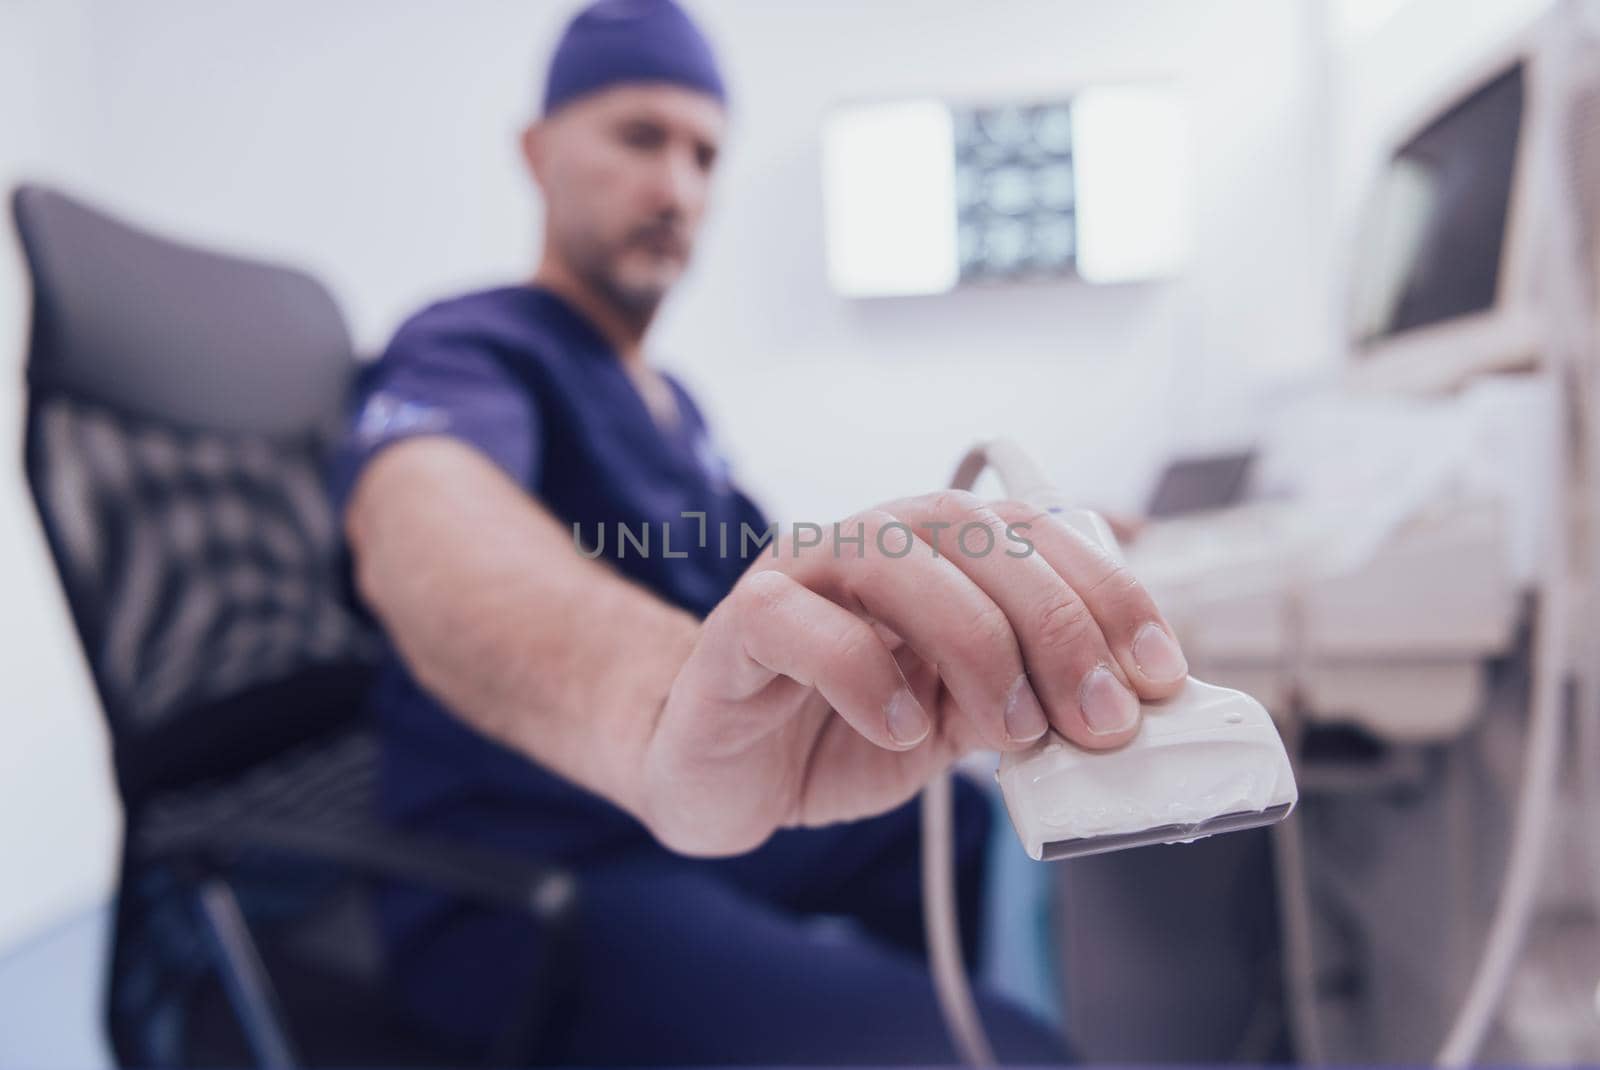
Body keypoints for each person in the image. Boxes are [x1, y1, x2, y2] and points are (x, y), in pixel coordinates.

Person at [331, 0, 1191, 1062]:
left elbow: (769, 585)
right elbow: (425, 534)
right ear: (537, 150)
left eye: (704, 154)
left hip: (705, 831)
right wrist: (657, 708)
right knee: (1003, 1055)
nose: (676, 188)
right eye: (639, 136)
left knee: (968, 832)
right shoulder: (466, 345)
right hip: (541, 870)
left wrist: (990, 547)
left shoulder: (674, 405)